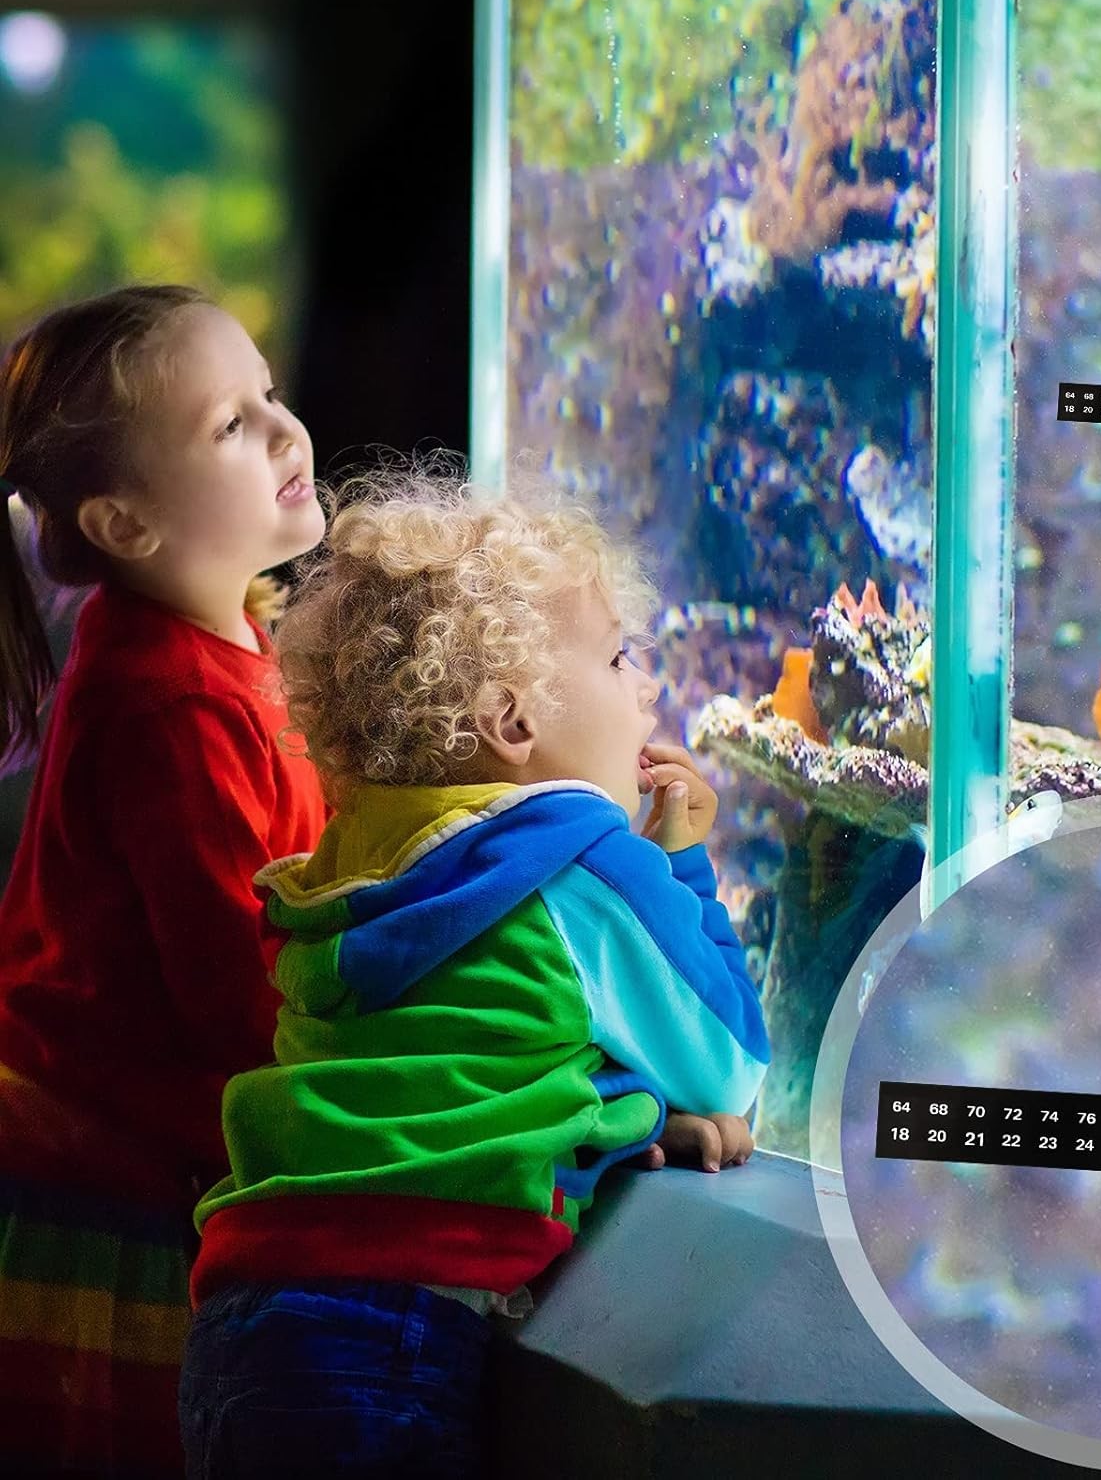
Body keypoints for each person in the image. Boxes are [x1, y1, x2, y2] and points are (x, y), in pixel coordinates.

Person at [178, 474, 770, 1478]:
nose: (647, 690)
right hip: (391, 1342)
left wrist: (610, 1108)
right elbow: (728, 1064)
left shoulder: (352, 862)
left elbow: (463, 1050)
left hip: (241, 1310)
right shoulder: (577, 856)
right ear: (512, 721)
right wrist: (680, 864)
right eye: (618, 658)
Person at [0, 285, 330, 1478]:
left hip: (151, 1138)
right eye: (231, 425)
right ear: (126, 523)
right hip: (114, 1179)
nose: (285, 430)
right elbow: (239, 995)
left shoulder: (214, 635)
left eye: (269, 395)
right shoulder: (171, 703)